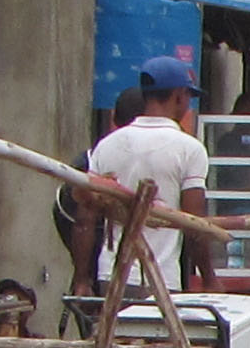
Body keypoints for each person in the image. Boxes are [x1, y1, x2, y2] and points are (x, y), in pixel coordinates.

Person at [78, 61, 211, 291]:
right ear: (179, 96)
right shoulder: (189, 148)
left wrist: (81, 279)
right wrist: (209, 278)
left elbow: (84, 219)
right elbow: (194, 224)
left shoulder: (107, 145)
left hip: (111, 274)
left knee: (113, 328)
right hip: (161, 278)